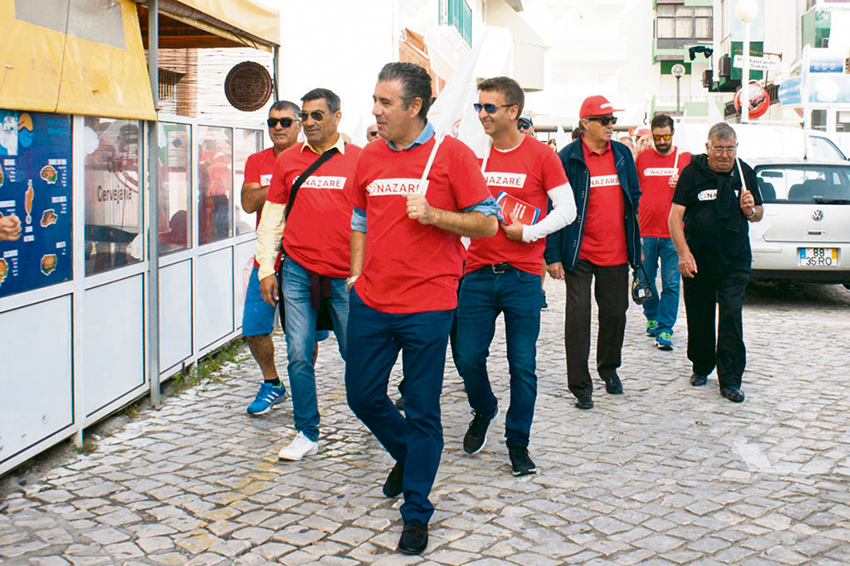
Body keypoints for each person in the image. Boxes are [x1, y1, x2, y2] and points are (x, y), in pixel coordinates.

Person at [345, 62, 498, 556]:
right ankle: (411, 457)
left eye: (385, 102)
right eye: (375, 100)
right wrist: (354, 272)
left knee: (423, 409)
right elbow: (359, 218)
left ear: (415, 106)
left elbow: (488, 226)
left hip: (428, 304)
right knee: (362, 397)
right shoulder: (369, 156)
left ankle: (416, 511)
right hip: (371, 298)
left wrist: (435, 216)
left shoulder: (452, 156)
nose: (375, 110)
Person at [455, 76, 576, 477]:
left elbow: (567, 209)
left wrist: (529, 233)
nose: (482, 114)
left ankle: (517, 442)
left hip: (522, 276)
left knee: (521, 364)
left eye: (490, 107)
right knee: (467, 356)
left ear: (513, 111)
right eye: (479, 107)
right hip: (476, 273)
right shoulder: (474, 155)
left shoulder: (542, 156)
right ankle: (484, 407)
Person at [256, 88, 361, 460]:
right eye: (305, 116)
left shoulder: (360, 161)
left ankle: (370, 411)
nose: (309, 122)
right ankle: (306, 431)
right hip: (298, 271)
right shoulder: (288, 161)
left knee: (357, 353)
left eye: (317, 115)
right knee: (298, 353)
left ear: (337, 117)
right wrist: (266, 268)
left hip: (345, 275)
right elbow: (271, 218)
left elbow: (374, 220)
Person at [544, 95, 642, 411]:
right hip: (579, 252)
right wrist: (552, 254)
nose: (610, 126)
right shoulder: (567, 158)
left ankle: (608, 368)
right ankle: (580, 385)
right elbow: (553, 206)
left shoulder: (624, 155)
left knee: (615, 314)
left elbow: (633, 201)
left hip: (616, 252)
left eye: (612, 120)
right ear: (585, 123)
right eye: (604, 120)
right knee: (578, 317)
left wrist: (636, 249)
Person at [668, 122, 762, 403]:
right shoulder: (691, 174)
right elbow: (675, 217)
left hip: (735, 260)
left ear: (736, 148)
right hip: (698, 260)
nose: (724, 155)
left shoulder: (744, 173)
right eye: (718, 149)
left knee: (731, 316)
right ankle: (701, 365)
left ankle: (731, 379)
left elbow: (758, 213)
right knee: (700, 316)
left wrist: (751, 209)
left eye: (729, 149)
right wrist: (683, 254)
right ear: (707, 148)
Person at [240, 101, 302, 416]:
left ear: (299, 125)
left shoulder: (312, 159)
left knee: (303, 333)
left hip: (304, 258)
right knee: (253, 326)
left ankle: (303, 385)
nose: (278, 127)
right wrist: (282, 183)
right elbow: (249, 202)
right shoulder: (258, 159)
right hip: (267, 259)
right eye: (272, 122)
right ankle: (272, 383)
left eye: (285, 121)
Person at [636, 114, 691, 350]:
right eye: (657, 137)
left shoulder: (685, 159)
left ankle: (665, 329)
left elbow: (695, 194)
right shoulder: (643, 159)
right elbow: (632, 190)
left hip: (673, 234)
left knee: (671, 284)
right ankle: (652, 316)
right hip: (646, 231)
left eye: (666, 136)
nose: (661, 141)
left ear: (673, 134)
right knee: (645, 281)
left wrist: (683, 184)